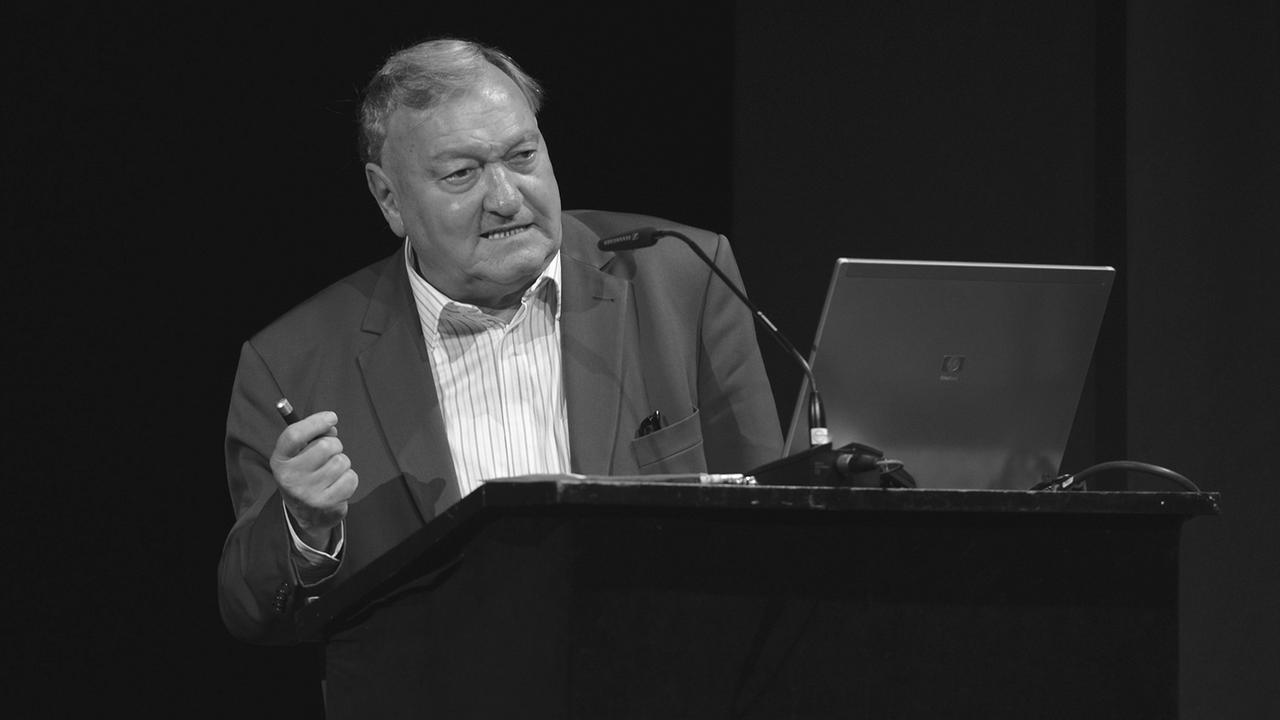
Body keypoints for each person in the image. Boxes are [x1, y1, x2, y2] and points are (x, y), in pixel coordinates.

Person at [218, 38, 782, 645]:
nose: (507, 198)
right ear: (389, 198)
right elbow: (250, 613)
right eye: (462, 173)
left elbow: (782, 519)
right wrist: (304, 530)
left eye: (522, 156)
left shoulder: (682, 277)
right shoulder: (292, 362)